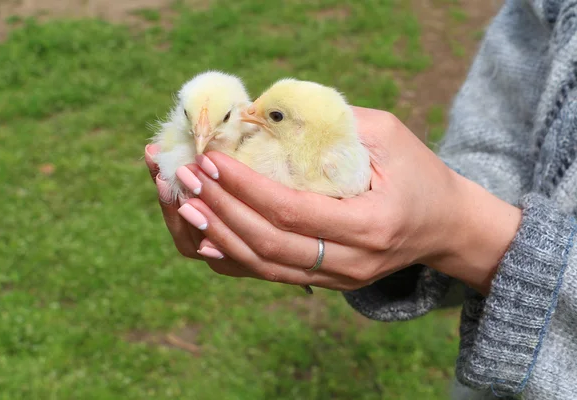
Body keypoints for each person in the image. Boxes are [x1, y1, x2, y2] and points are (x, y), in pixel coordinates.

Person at [144, 0, 577, 398]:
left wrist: (466, 233)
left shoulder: (321, 155)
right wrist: (411, 226)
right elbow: (500, 147)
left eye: (269, 115)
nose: (249, 120)